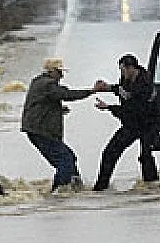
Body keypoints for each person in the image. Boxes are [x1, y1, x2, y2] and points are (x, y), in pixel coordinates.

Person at [21, 57, 104, 192]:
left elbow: (43, 103)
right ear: (52, 71)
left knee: (68, 158)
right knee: (65, 160)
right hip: (41, 131)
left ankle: (75, 188)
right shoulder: (48, 84)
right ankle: (58, 193)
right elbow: (67, 95)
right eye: (60, 72)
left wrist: (58, 110)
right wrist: (92, 91)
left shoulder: (38, 82)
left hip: (37, 130)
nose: (62, 75)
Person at [92, 54, 159, 191]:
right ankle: (100, 187)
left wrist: (109, 107)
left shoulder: (145, 83)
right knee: (110, 152)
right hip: (132, 124)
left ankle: (152, 187)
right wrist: (108, 87)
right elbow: (123, 92)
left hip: (147, 123)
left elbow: (132, 107)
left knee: (145, 155)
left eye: (123, 69)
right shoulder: (126, 78)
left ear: (131, 68)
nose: (121, 73)